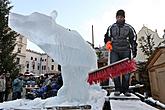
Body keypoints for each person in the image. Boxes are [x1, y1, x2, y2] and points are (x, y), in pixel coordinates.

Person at [104, 9, 137, 96]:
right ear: (116, 18)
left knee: (126, 72)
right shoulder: (111, 27)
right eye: (118, 17)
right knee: (115, 70)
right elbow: (107, 37)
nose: (119, 18)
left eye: (121, 17)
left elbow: (133, 39)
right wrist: (108, 43)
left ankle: (125, 89)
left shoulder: (129, 28)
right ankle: (117, 88)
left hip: (126, 50)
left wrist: (134, 49)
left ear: (124, 17)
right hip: (114, 50)